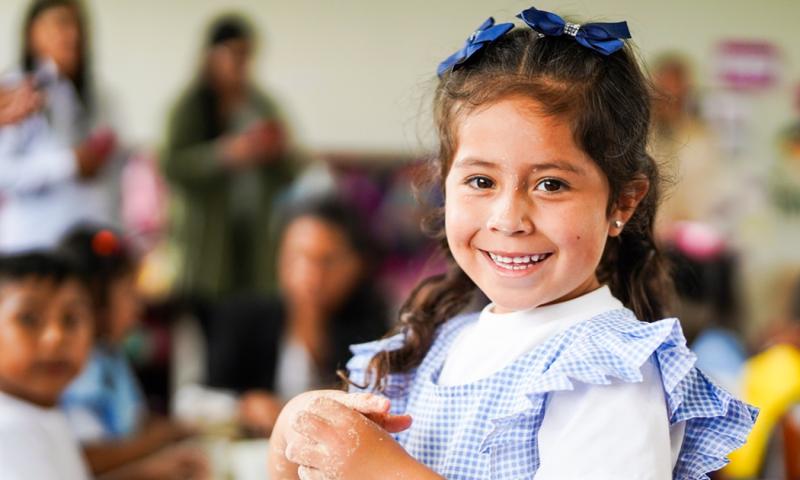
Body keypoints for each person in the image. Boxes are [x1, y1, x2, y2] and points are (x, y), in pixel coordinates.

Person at [267, 6, 758, 479]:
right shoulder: (433, 347)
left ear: (622, 204)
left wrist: (382, 472)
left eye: (551, 184)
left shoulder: (608, 376)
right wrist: (294, 429)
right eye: (481, 182)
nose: (508, 219)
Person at [175, 198, 389, 436]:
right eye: (298, 257)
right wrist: (243, 407)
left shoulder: (373, 334)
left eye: (326, 261)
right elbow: (188, 403)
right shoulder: (244, 320)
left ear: (355, 266)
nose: (311, 275)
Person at [162, 14, 295, 304]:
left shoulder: (262, 105)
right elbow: (171, 166)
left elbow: (291, 167)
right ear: (210, 56)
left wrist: (276, 152)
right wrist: (222, 155)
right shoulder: (190, 107)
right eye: (233, 54)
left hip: (257, 241)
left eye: (246, 55)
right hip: (206, 243)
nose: (240, 64)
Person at [58, 225, 208, 479]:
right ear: (95, 299)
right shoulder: (71, 368)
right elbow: (86, 458)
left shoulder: (109, 354)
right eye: (129, 293)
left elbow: (133, 420)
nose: (139, 307)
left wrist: (172, 429)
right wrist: (158, 443)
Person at [0, 0, 120, 253]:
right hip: (33, 249)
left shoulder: (99, 96)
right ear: (33, 33)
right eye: (61, 24)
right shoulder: (15, 94)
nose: (73, 35)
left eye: (79, 26)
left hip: (88, 248)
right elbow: (4, 173)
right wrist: (70, 163)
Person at [0, 252, 94, 479]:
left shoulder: (44, 410)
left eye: (71, 319)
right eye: (29, 319)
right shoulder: (8, 431)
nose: (56, 337)